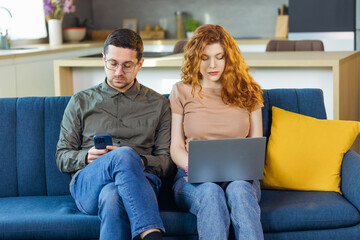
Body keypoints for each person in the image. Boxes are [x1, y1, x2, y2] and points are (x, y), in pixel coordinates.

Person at [56, 28, 175, 240]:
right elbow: (61, 157)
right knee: (122, 155)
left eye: (127, 65)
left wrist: (138, 160)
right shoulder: (80, 101)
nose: (119, 72)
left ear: (140, 64)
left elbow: (167, 163)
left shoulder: (159, 104)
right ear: (103, 59)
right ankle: (151, 233)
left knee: (112, 195)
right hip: (89, 183)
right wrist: (85, 156)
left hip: (142, 181)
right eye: (113, 63)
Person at [169, 24, 264, 240]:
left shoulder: (249, 91)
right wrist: (196, 168)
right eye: (205, 58)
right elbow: (175, 147)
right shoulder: (181, 91)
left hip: (241, 179)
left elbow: (255, 145)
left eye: (219, 57)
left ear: (229, 58)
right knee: (210, 192)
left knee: (239, 190)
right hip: (191, 178)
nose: (213, 65)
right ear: (195, 58)